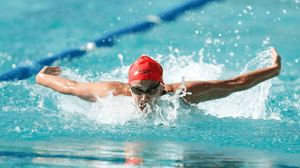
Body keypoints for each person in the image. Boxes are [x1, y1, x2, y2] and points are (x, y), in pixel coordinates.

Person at [36, 48, 281, 111]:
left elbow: (234, 84)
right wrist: (41, 77)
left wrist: (274, 70)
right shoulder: (111, 93)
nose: (144, 98)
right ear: (129, 85)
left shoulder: (183, 95)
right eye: (137, 90)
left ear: (161, 86)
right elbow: (72, 87)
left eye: (152, 89)